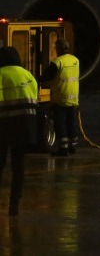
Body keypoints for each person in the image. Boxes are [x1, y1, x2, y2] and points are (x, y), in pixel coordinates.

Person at [0, 46, 38, 217]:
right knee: (18, 168)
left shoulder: (1, 74)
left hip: (4, 127)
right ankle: (14, 205)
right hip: (24, 128)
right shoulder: (28, 75)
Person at [40, 38, 80, 156]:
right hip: (73, 98)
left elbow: (47, 76)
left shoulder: (57, 62)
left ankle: (63, 148)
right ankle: (73, 146)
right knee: (72, 122)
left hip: (61, 98)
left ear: (58, 49)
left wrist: (37, 80)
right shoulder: (75, 60)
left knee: (60, 123)